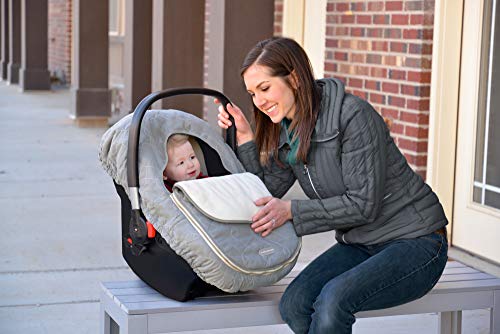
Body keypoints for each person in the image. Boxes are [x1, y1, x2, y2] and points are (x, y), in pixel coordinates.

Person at [216, 37, 448, 334]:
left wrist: (291, 212)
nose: (259, 102)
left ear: (295, 79)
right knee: (295, 303)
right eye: (252, 93)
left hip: (417, 242)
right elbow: (264, 191)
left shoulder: (352, 117)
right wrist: (246, 138)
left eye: (265, 88)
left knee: (333, 301)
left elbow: (363, 205)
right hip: (363, 244)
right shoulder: (290, 130)